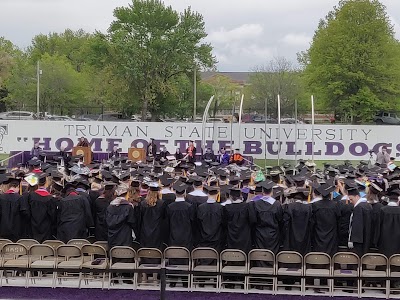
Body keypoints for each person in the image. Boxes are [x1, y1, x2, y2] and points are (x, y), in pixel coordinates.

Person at [249, 180, 283, 254]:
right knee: (272, 254)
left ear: (262, 191)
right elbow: (280, 220)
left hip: (259, 235)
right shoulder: (277, 205)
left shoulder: (255, 204)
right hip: (273, 234)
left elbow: (253, 220)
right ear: (272, 191)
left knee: (261, 254)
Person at [311, 181, 341, 256]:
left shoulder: (315, 205)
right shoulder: (335, 205)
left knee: (319, 256)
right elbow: (338, 220)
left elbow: (312, 221)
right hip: (332, 235)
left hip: (318, 234)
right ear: (330, 194)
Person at [26, 173, 57, 242]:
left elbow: (27, 212)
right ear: (46, 183)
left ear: (37, 183)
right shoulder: (50, 198)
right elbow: (53, 215)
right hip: (46, 229)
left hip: (33, 227)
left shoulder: (31, 196)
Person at [166, 182, 195, 250]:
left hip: (173, 236)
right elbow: (193, 222)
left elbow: (167, 223)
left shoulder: (170, 207)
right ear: (184, 193)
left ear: (175, 193)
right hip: (186, 237)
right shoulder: (189, 207)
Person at [282, 190, 312, 255]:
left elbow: (285, 222)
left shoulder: (289, 206)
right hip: (305, 236)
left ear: (294, 199)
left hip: (291, 236)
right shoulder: (308, 208)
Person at [196, 185, 225, 251]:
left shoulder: (201, 207)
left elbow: (198, 223)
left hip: (203, 239)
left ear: (207, 194)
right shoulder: (220, 208)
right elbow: (223, 223)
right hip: (216, 239)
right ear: (217, 194)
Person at [223, 187, 252, 253]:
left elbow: (224, 223)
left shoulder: (227, 208)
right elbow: (252, 221)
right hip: (245, 237)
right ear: (241, 196)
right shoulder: (247, 207)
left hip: (231, 237)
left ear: (230, 197)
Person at [347, 187, 372, 257]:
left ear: (357, 196)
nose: (350, 202)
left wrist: (351, 240)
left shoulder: (358, 208)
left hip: (358, 242)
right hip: (366, 239)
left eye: (351, 199)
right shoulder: (368, 206)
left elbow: (356, 226)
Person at [138, 183, 165, 250]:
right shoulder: (161, 204)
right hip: (157, 231)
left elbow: (140, 218)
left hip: (145, 231)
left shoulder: (143, 203)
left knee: (145, 250)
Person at [0, 177, 28, 241]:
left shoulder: (1, 198)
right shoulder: (20, 198)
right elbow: (24, 214)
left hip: (3, 230)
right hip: (17, 230)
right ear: (17, 186)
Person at [378, 191, 400, 257]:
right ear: (397, 201)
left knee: (383, 261)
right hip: (398, 242)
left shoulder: (382, 210)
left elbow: (378, 227)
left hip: (384, 242)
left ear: (389, 200)